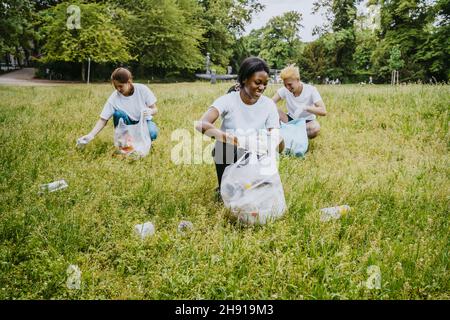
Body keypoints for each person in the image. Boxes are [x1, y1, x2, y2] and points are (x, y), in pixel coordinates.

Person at [196, 57, 284, 193]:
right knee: (223, 147)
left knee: (254, 192)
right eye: (258, 82)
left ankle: (250, 185)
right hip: (231, 151)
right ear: (244, 79)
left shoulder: (268, 105)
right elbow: (201, 124)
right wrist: (236, 140)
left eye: (265, 83)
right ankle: (223, 188)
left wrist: (276, 139)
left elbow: (278, 143)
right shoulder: (229, 100)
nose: (262, 87)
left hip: (256, 153)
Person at [77, 67, 159, 146]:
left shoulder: (142, 89)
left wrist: (150, 111)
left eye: (120, 86)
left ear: (129, 82)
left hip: (143, 122)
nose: (118, 89)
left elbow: (155, 109)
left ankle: (142, 142)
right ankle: (124, 143)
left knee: (152, 133)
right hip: (128, 125)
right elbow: (103, 119)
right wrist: (91, 135)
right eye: (116, 87)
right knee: (118, 114)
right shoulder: (114, 98)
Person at [272, 64, 327, 139]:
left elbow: (323, 111)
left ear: (298, 80)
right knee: (274, 111)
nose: (288, 88)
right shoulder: (285, 90)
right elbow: (271, 102)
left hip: (306, 122)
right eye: (285, 85)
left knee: (315, 128)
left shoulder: (311, 90)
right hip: (290, 120)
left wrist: (305, 107)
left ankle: (291, 134)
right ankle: (291, 134)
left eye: (290, 84)